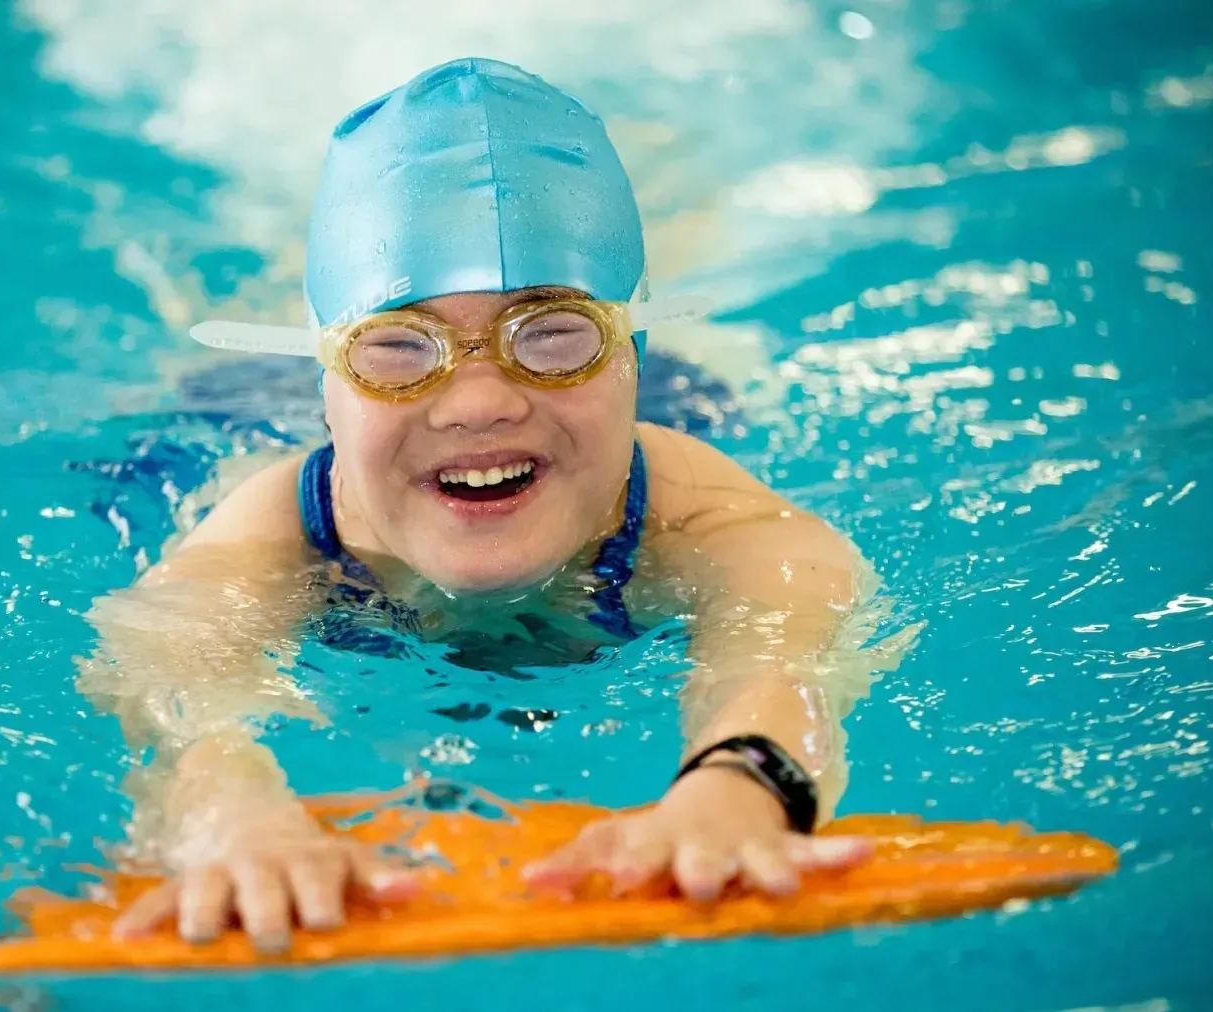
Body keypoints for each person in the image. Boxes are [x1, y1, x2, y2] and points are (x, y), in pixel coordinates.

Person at [80, 57, 882, 955]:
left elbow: (781, 656)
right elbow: (170, 684)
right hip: (233, 413)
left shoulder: (708, 519)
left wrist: (739, 785)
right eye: (395, 344)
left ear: (630, 356)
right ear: (329, 380)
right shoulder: (268, 535)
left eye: (553, 332)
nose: (478, 402)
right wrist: (227, 810)